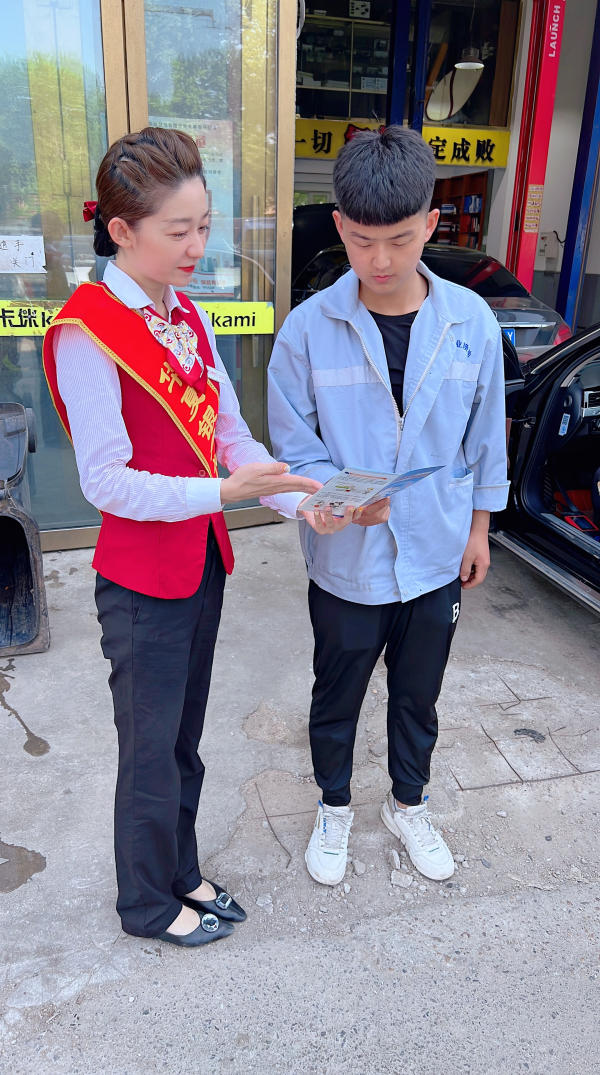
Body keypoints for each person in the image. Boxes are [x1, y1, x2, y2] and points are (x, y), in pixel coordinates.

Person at [43, 128, 320, 946]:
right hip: (139, 583)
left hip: (200, 563)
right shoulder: (87, 331)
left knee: (183, 742)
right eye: (180, 230)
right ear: (121, 230)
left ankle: (181, 870)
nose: (199, 246)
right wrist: (223, 494)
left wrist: (306, 501)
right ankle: (146, 903)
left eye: (204, 225)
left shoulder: (184, 313)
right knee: (149, 751)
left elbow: (232, 434)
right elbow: (106, 481)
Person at [268, 126, 509, 887]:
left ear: (430, 224)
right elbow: (293, 448)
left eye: (400, 240)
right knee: (336, 694)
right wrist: (330, 501)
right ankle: (334, 806)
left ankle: (410, 804)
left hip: (435, 551)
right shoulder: (308, 330)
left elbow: (485, 438)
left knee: (418, 695)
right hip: (346, 559)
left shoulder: (471, 322)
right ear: (340, 225)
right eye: (363, 241)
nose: (380, 260)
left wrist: (479, 529)